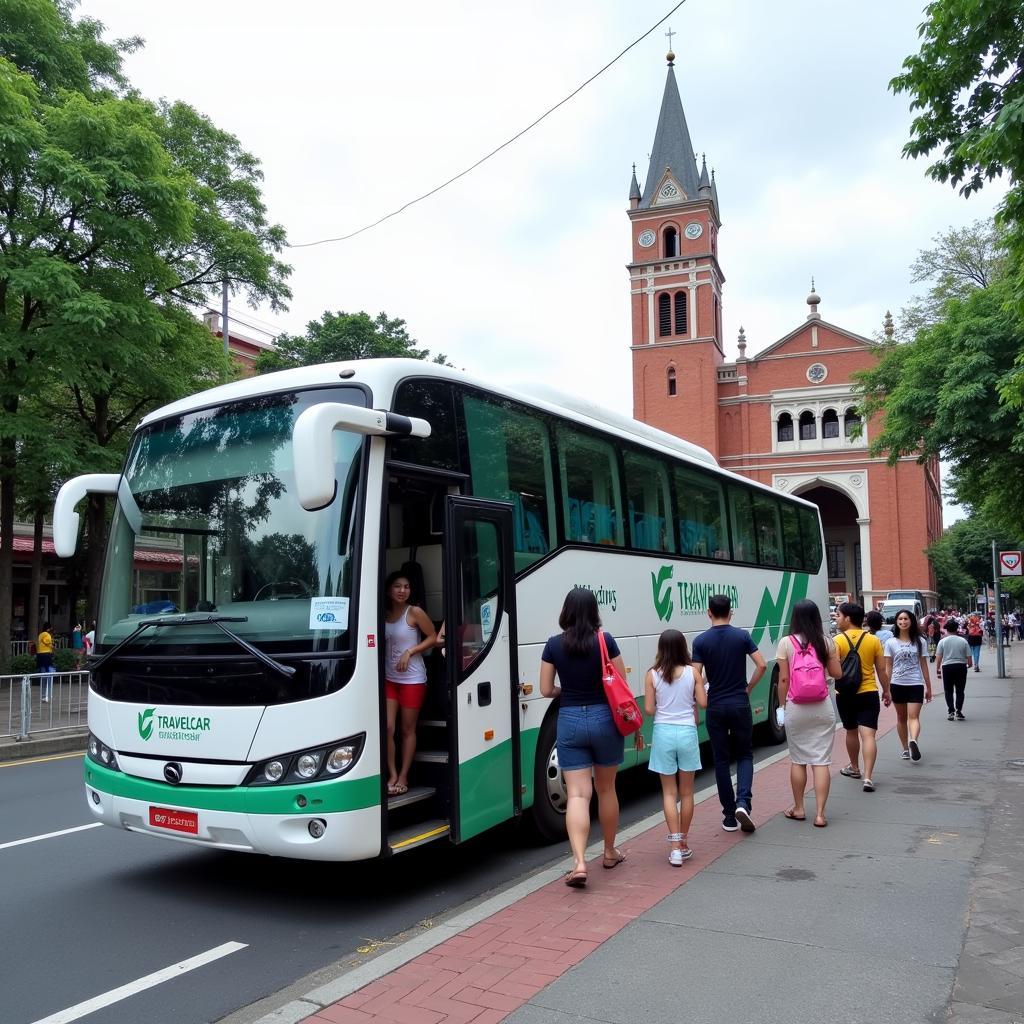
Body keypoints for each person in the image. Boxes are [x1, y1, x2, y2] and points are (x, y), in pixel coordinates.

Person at [540, 587, 641, 887]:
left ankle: (580, 863)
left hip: (569, 719)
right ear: (594, 611)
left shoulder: (553, 645)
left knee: (577, 795)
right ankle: (609, 852)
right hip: (604, 718)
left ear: (566, 611)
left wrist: (565, 692)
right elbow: (620, 682)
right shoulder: (605, 640)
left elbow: (546, 690)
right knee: (606, 790)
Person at [691, 594, 766, 833]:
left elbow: (695, 676)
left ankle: (729, 816)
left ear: (709, 612)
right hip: (739, 703)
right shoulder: (742, 636)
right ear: (730, 612)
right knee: (744, 755)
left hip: (715, 705)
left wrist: (700, 691)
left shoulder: (701, 641)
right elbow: (762, 664)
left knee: (721, 760)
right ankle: (743, 802)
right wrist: (749, 687)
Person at [777, 599, 843, 826]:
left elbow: (784, 679)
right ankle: (820, 814)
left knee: (798, 760)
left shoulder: (786, 642)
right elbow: (837, 674)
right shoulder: (826, 642)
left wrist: (781, 706)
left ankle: (799, 808)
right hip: (822, 706)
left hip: (796, 706)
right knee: (821, 761)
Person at [644, 629, 707, 864]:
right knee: (687, 792)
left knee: (669, 793)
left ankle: (674, 848)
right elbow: (702, 703)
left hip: (664, 734)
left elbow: (649, 709)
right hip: (687, 733)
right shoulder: (693, 672)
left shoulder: (652, 675)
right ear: (683, 647)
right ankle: (684, 842)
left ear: (661, 648)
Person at [383, 571, 436, 797]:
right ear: (388, 590)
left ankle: (404, 776)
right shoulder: (381, 613)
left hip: (413, 680)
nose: (403, 590)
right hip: (389, 679)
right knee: (387, 728)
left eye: (406, 586)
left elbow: (434, 636)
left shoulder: (413, 612)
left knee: (406, 730)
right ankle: (391, 774)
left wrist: (410, 651)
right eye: (397, 586)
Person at [834, 602, 889, 792]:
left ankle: (854, 767)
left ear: (848, 618)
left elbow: (833, 670)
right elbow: (881, 670)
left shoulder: (837, 640)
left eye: (838, 615)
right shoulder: (873, 640)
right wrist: (887, 691)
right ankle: (868, 777)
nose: (836, 618)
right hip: (868, 691)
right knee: (869, 736)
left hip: (845, 693)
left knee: (850, 731)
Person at [885, 609, 932, 762]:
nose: (903, 622)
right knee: (901, 717)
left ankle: (913, 741)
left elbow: (924, 665)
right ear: (896, 622)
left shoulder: (920, 641)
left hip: (915, 683)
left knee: (914, 716)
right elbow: (888, 667)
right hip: (897, 684)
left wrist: (929, 687)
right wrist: (886, 689)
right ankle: (906, 747)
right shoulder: (890, 642)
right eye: (900, 619)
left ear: (911, 621)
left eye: (906, 619)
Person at [936, 619, 972, 721]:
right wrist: (968, 665)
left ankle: (950, 711)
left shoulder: (942, 641)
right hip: (960, 667)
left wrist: (938, 669)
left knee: (948, 690)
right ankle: (959, 711)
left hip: (947, 667)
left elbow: (939, 656)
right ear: (957, 629)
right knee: (960, 691)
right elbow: (969, 659)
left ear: (947, 629)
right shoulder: (963, 641)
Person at [36, 621, 56, 702]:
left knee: (43, 676)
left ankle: (43, 696)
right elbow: (46, 641)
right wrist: (52, 646)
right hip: (46, 655)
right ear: (49, 628)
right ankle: (49, 695)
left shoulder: (40, 635)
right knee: (49, 676)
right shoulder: (47, 635)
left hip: (40, 655)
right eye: (51, 628)